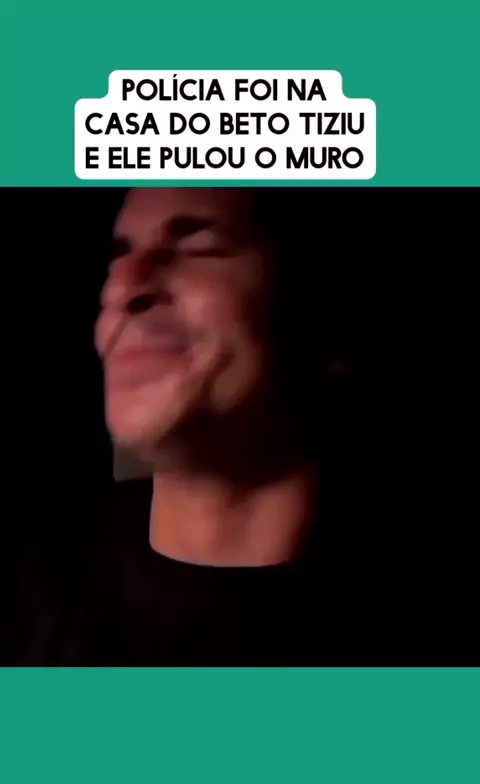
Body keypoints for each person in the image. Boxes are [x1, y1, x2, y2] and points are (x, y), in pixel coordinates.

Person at [0, 187, 372, 664]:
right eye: (119, 255)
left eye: (199, 247)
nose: (122, 286)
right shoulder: (25, 600)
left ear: (322, 314)